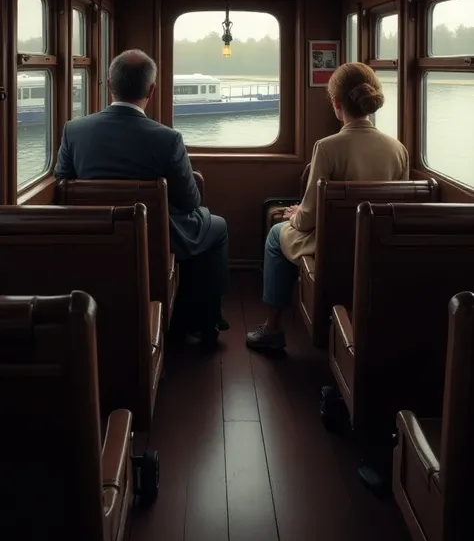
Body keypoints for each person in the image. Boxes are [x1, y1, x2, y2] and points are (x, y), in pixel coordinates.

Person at [54, 49, 229, 345]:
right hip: (155, 236)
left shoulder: (74, 130)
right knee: (216, 226)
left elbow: (63, 185)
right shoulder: (167, 138)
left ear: (109, 84)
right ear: (152, 90)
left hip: (94, 235)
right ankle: (204, 320)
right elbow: (189, 202)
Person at [246, 61, 409, 351]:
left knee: (276, 235)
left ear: (336, 104)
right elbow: (399, 208)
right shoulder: (398, 150)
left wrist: (295, 215)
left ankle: (272, 328)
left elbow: (309, 218)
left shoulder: (328, 147)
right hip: (377, 245)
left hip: (332, 244)